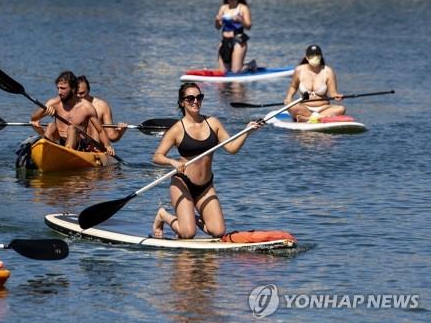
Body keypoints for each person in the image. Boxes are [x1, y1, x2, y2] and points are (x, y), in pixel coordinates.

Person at [152, 83, 261, 239]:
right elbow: (157, 156)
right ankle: (163, 215)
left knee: (218, 232)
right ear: (182, 102)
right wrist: (172, 162)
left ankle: (188, 218)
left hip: (205, 186)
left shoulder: (213, 123)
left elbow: (231, 148)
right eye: (190, 98)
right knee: (188, 233)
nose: (196, 101)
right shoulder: (177, 129)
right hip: (182, 184)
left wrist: (247, 131)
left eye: (199, 97)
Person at [30, 71, 114, 156]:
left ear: (73, 89)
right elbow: (34, 118)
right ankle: (45, 152)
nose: (59, 92)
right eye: (58, 88)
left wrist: (107, 146)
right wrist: (45, 110)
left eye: (63, 88)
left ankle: (67, 152)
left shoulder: (87, 107)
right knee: (51, 125)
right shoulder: (54, 103)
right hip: (59, 141)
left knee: (72, 128)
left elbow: (100, 131)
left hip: (78, 145)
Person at [284, 45, 345, 122]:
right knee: (291, 107)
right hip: (304, 108)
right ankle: (319, 118)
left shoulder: (328, 71)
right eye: (312, 56)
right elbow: (293, 86)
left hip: (323, 108)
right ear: (307, 57)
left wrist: (336, 96)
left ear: (321, 56)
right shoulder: (299, 70)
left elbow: (333, 93)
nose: (315, 58)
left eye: (317, 55)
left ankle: (308, 118)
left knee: (341, 109)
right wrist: (288, 98)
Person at [76, 75, 127, 142]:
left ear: (88, 91)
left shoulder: (102, 106)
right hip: (77, 146)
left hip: (96, 147)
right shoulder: (67, 106)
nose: (78, 96)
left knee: (95, 126)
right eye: (75, 93)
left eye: (82, 93)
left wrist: (120, 131)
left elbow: (112, 137)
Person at [215, 0, 253, 73]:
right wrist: (216, 20)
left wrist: (240, 20)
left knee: (236, 71)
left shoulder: (243, 8)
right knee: (223, 72)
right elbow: (218, 27)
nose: (230, 0)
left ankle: (251, 65)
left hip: (238, 40)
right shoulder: (223, 8)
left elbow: (249, 26)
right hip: (225, 41)